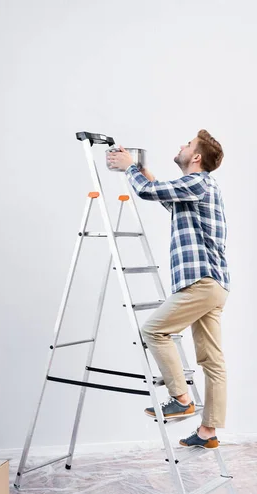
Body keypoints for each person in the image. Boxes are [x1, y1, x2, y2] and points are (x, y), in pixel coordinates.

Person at [107, 130, 229, 449]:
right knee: (212, 361)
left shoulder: (199, 181)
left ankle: (180, 398)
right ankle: (208, 432)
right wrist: (146, 174)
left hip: (200, 281)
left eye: (187, 145)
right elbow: (166, 198)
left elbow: (148, 192)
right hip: (213, 284)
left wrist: (130, 167)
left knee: (154, 331)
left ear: (197, 157)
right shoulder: (196, 189)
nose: (181, 147)